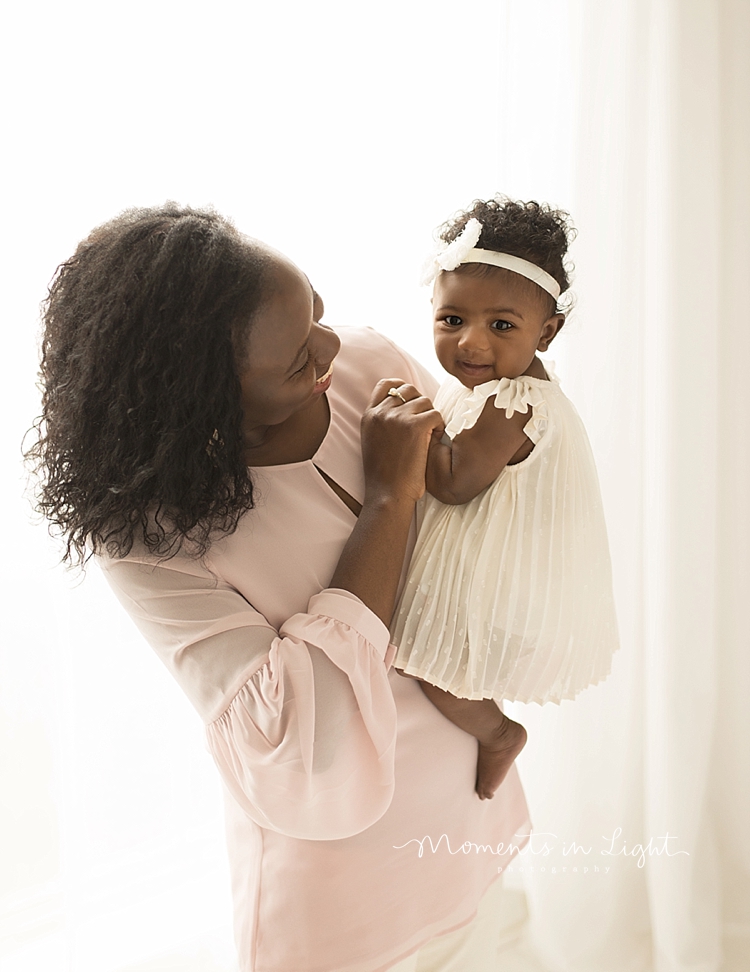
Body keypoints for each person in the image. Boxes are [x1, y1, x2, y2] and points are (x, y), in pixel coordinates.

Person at [26, 203, 532, 972]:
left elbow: (482, 537)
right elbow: (303, 741)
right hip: (350, 894)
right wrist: (391, 500)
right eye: (298, 357)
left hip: (473, 813)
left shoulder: (366, 366)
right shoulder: (148, 537)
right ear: (200, 400)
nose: (332, 344)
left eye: (318, 316)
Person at [391, 197, 620, 800]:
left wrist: (413, 425)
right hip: (494, 564)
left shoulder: (511, 404)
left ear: (547, 331)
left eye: (501, 325)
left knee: (432, 669)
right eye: (451, 320)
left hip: (500, 581)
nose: (471, 343)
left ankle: (497, 734)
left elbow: (453, 483)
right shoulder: (496, 385)